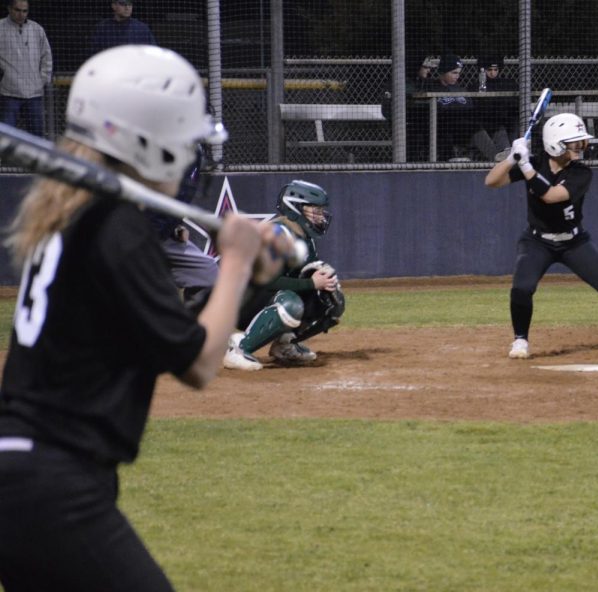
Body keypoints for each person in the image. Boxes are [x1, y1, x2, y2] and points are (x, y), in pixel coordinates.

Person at [0, 45, 292, 591]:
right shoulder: (118, 230)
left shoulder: (75, 218)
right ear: (146, 142)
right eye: (183, 139)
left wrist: (244, 269)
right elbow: (201, 364)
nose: (189, 156)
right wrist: (233, 258)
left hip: (30, 474)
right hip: (52, 482)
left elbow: (154, 339)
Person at [484, 113, 598, 360]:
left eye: (581, 142)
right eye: (575, 142)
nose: (581, 146)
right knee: (521, 288)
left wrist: (525, 166)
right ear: (555, 144)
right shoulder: (535, 163)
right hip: (537, 241)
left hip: (574, 242)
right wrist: (511, 159)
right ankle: (520, 340)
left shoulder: (581, 172)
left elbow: (550, 195)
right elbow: (491, 182)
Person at [224, 179, 345, 371]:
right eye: (315, 210)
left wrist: (320, 279)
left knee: (329, 300)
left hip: (265, 297)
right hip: (242, 302)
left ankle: (284, 344)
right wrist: (312, 284)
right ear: (295, 208)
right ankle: (239, 349)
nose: (320, 217)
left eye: (321, 211)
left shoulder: (305, 238)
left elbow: (302, 277)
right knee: (290, 303)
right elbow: (268, 281)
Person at [146, 145, 220, 316]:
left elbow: (178, 198)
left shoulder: (195, 151)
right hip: (135, 235)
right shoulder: (156, 143)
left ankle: (191, 332)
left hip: (165, 238)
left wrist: (177, 224)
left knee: (209, 275)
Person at [0, 0, 52, 138]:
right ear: (9, 9)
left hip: (34, 93)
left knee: (36, 135)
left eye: (24, 11)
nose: (21, 14)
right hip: (9, 92)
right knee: (6, 135)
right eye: (17, 10)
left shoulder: (37, 29)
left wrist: (42, 81)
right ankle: (3, 159)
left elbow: (46, 56)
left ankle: (36, 160)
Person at [381, 54, 436, 162]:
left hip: (421, 124)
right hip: (404, 125)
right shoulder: (400, 83)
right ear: (415, 66)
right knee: (415, 139)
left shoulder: (423, 82)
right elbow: (387, 110)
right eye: (425, 67)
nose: (429, 71)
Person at [426, 53, 479, 161]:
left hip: (462, 125)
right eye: (453, 73)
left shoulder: (460, 89)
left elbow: (470, 107)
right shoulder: (432, 87)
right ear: (443, 72)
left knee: (484, 125)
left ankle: (499, 157)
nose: (457, 76)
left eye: (458, 73)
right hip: (443, 126)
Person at [468, 55, 517, 161]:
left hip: (500, 123)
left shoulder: (505, 84)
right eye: (489, 70)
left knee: (505, 128)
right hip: (482, 123)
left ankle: (509, 153)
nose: (492, 73)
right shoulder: (476, 86)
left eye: (495, 69)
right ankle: (499, 156)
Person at [91, 0, 157, 55]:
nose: (127, 7)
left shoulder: (142, 28)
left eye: (130, 4)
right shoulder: (103, 28)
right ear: (114, 6)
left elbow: (153, 52)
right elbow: (94, 53)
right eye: (123, 4)